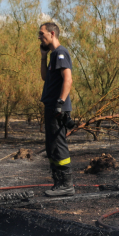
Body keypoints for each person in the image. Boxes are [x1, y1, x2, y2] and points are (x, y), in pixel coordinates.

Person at [38, 22, 75, 197]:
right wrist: (43, 57)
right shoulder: (53, 55)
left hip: (57, 108)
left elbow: (68, 79)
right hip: (51, 106)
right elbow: (45, 77)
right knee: (51, 146)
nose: (39, 37)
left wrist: (60, 102)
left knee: (58, 145)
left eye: (42, 34)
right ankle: (59, 183)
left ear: (52, 33)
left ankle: (66, 184)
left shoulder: (61, 53)